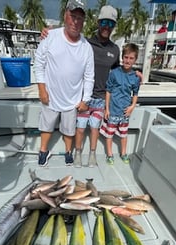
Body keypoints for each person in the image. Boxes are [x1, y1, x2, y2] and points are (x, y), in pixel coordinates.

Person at [33, 0, 94, 167]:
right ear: (65, 15)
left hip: (72, 99)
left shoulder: (86, 47)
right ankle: (43, 150)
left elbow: (89, 76)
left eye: (80, 18)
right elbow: (39, 63)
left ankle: (68, 152)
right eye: (73, 16)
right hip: (50, 95)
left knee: (69, 130)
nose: (75, 21)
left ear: (84, 21)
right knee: (46, 126)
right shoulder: (50, 36)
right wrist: (41, 89)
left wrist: (85, 100)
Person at [73, 5, 121, 168]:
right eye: (104, 22)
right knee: (80, 129)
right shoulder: (85, 43)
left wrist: (134, 73)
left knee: (94, 128)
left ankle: (92, 154)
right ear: (98, 22)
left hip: (101, 99)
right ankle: (77, 153)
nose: (107, 26)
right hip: (84, 98)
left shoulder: (115, 50)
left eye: (111, 23)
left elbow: (117, 72)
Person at [100, 43, 140, 165]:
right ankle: (110, 154)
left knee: (123, 134)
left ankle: (123, 153)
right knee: (109, 134)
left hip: (124, 112)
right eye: (126, 57)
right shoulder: (114, 73)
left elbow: (135, 94)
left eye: (131, 58)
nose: (128, 60)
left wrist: (132, 106)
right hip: (113, 110)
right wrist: (107, 109)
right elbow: (108, 91)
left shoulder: (135, 77)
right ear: (122, 57)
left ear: (135, 60)